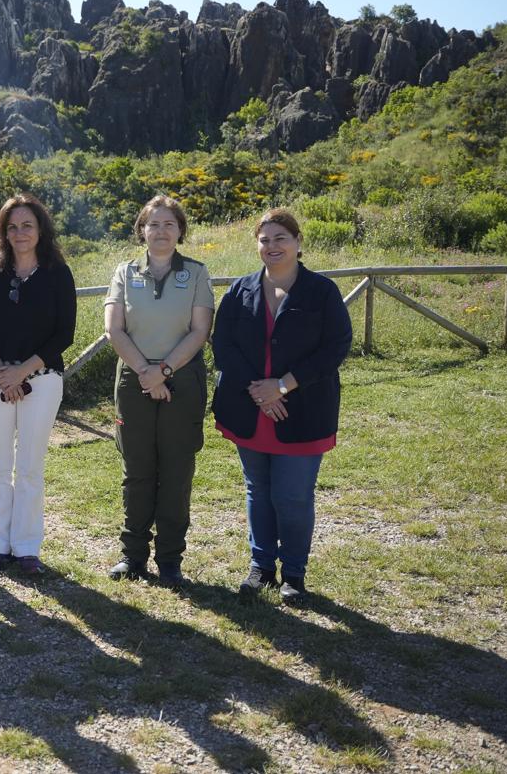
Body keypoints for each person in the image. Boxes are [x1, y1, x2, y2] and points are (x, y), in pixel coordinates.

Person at [213, 208, 352, 605]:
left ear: (298, 243)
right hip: (249, 407)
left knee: (292, 495)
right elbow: (224, 346)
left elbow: (336, 347)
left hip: (303, 409)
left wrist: (284, 386)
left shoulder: (321, 292)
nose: (272, 246)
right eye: (265, 239)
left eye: (280, 238)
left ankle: (293, 573)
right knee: (258, 489)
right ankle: (261, 567)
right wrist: (261, 391)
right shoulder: (240, 290)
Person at [103, 195, 215, 588]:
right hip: (134, 380)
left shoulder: (197, 273)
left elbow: (200, 331)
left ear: (180, 230)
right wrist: (146, 373)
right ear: (142, 230)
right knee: (137, 470)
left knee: (176, 470)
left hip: (181, 379)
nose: (161, 231)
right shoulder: (124, 272)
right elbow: (114, 330)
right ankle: (132, 556)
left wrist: (163, 371)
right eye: (154, 224)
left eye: (169, 224)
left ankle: (170, 559)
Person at [0, 194, 76, 577]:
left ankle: (27, 547)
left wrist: (22, 372)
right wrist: (1, 370)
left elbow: (65, 333)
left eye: (27, 225)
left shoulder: (58, 272)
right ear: (3, 232)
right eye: (12, 227)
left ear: (41, 229)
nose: (19, 233)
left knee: (30, 466)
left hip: (42, 381)